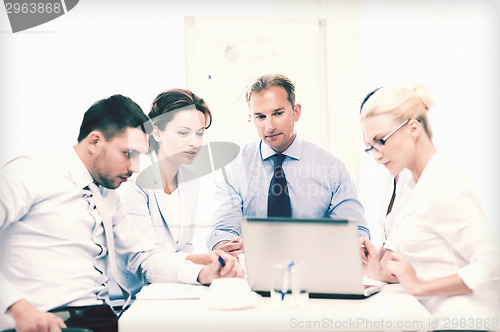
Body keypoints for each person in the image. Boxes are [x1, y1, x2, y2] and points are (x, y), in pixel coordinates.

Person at [0, 95, 242, 332]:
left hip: (101, 318)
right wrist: (19, 309)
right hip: (46, 320)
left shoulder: (107, 196)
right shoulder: (29, 173)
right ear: (94, 141)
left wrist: (202, 273)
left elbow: (145, 257)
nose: (135, 168)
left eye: (139, 156)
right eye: (129, 154)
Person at [359, 84, 500, 324]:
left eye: (381, 141)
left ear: (413, 128)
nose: (377, 155)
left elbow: (492, 263)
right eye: (370, 147)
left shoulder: (443, 185)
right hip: (433, 316)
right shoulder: (415, 184)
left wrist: (419, 286)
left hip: (465, 319)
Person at [208, 73, 369, 255]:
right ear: (251, 118)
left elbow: (357, 234)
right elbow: (221, 232)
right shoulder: (234, 168)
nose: (269, 126)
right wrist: (228, 248)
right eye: (260, 117)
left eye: (278, 113)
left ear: (296, 112)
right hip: (250, 272)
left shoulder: (331, 167)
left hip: (314, 271)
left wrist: (304, 246)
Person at [110, 89, 215, 298]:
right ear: (157, 132)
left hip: (169, 288)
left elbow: (184, 245)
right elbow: (146, 260)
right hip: (129, 296)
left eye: (200, 133)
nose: (194, 142)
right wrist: (206, 262)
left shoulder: (190, 177)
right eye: (184, 133)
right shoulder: (133, 179)